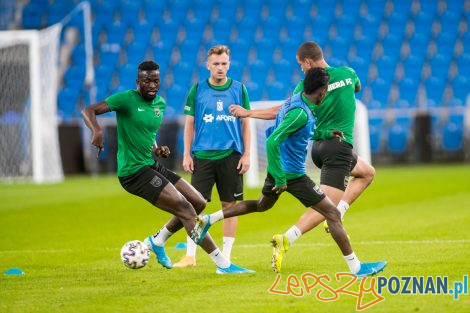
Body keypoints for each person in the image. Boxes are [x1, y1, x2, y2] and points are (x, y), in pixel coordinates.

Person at [190, 67, 387, 277]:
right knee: (332, 213)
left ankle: (209, 219)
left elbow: (304, 131)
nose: (326, 94)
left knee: (260, 205)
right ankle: (357, 268)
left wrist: (326, 133)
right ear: (320, 92)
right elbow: (272, 140)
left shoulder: (296, 103)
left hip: (280, 172)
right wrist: (281, 177)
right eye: (325, 91)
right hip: (292, 175)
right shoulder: (300, 113)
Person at [81, 60, 254, 274]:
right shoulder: (125, 99)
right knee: (185, 209)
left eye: (156, 81)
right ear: (138, 82)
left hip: (151, 164)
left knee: (198, 202)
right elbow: (88, 110)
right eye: (147, 81)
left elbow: (147, 135)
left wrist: (157, 150)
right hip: (133, 172)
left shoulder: (159, 104)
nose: (152, 85)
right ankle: (223, 264)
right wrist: (96, 131)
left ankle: (158, 241)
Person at [230, 41, 376, 272]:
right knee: (327, 208)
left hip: (320, 146)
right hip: (336, 147)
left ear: (308, 61)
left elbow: (283, 109)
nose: (301, 70)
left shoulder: (303, 87)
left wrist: (250, 113)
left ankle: (337, 214)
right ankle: (288, 239)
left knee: (367, 173)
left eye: (300, 65)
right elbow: (357, 88)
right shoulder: (348, 73)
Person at [173, 45, 251, 268]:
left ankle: (226, 256)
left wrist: (246, 154)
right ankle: (190, 255)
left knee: (230, 205)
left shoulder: (239, 89)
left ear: (229, 64)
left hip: (231, 155)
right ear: (207, 65)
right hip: (202, 156)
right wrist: (187, 153)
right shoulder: (197, 90)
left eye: (224, 63)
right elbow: (189, 124)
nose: (220, 68)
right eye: (216, 64)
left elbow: (245, 123)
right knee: (193, 206)